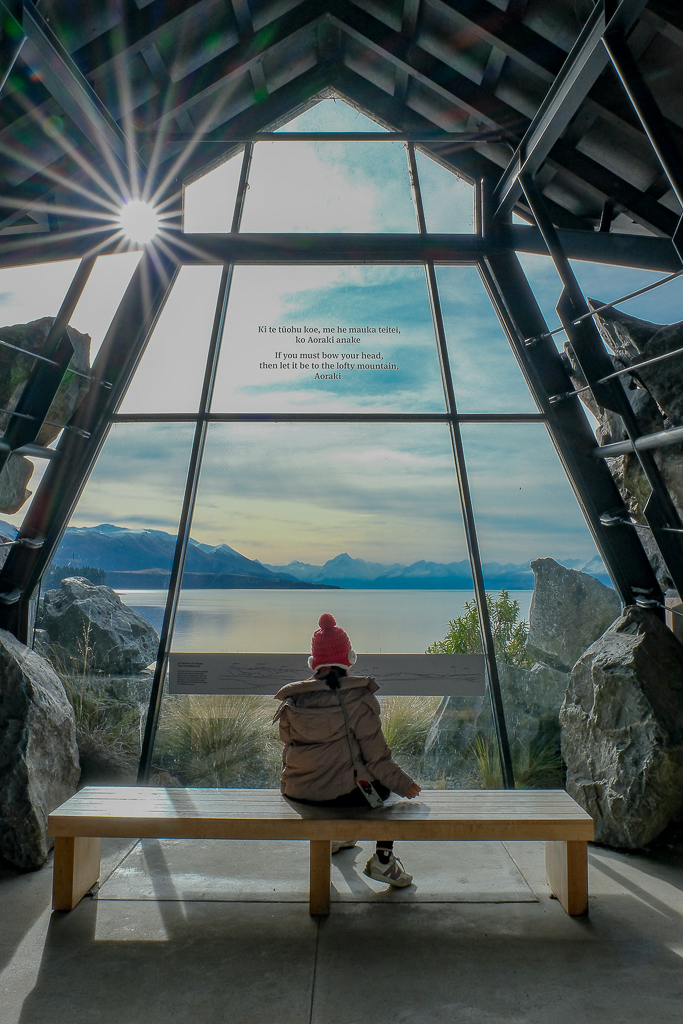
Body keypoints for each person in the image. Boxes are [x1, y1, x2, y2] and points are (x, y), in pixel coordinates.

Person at [274, 612, 421, 887]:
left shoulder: (295, 699)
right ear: (349, 658)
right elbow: (377, 759)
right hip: (340, 796)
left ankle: (339, 837)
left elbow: (289, 746)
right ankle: (383, 860)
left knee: (354, 786)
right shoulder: (358, 698)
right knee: (385, 793)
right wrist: (406, 784)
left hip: (299, 793)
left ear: (313, 663)